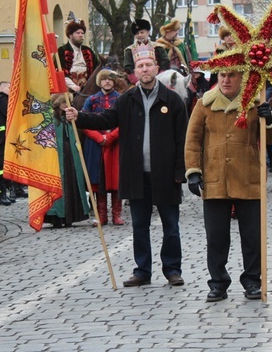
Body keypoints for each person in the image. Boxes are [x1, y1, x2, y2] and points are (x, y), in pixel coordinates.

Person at [65, 44, 188, 287]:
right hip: (135, 174)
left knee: (170, 227)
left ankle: (172, 269)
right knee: (140, 226)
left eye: (148, 65)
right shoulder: (127, 99)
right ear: (136, 72)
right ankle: (142, 270)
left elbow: (181, 139)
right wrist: (79, 116)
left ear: (156, 68)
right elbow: (105, 119)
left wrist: (180, 172)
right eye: (140, 66)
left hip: (164, 175)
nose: (145, 69)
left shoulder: (172, 101)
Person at [184, 70, 272, 302]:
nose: (226, 80)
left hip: (247, 177)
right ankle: (218, 282)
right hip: (215, 179)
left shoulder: (254, 102)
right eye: (222, 76)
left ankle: (252, 281)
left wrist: (269, 120)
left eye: (231, 75)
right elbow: (193, 139)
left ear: (242, 78)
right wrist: (193, 171)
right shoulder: (204, 104)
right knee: (216, 237)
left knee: (252, 236)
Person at [81, 70, 122, 226]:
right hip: (96, 146)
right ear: (100, 82)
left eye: (110, 79)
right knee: (98, 181)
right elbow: (84, 121)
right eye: (104, 79)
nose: (107, 82)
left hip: (115, 144)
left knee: (116, 179)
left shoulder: (121, 99)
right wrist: (99, 138)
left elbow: (125, 121)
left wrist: (111, 137)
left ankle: (116, 214)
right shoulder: (91, 100)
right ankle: (101, 215)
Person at [46, 94, 91, 228]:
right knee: (59, 184)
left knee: (72, 183)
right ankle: (57, 216)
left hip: (71, 155)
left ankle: (71, 215)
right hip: (57, 157)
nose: (67, 104)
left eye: (68, 102)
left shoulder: (70, 119)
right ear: (57, 103)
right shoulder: (52, 120)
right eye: (64, 102)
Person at [58, 18, 100, 94]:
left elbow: (97, 68)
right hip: (67, 90)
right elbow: (59, 72)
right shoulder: (62, 51)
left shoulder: (88, 51)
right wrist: (73, 86)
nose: (81, 35)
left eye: (82, 33)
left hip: (88, 89)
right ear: (70, 35)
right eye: (78, 33)